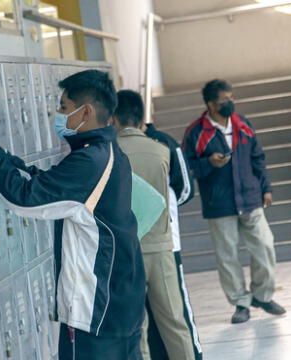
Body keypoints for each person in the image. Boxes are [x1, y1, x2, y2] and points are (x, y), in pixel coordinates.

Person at [0, 70, 146, 359]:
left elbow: (25, 198)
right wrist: (5, 156)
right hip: (121, 301)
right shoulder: (106, 152)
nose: (58, 115)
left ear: (85, 111)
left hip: (95, 310)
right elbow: (51, 183)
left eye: (63, 107)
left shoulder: (90, 161)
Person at [182, 79, 285, 324]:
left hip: (250, 198)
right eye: (225, 100)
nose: (231, 103)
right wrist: (209, 163)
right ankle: (240, 303)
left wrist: (266, 188)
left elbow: (258, 157)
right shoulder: (196, 132)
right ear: (211, 105)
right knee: (227, 255)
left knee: (265, 245)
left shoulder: (243, 125)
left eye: (232, 98)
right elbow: (186, 166)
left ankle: (262, 294)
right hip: (219, 204)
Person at [114, 89, 198, 360]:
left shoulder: (109, 153)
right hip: (162, 248)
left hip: (126, 251)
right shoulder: (162, 150)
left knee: (138, 326)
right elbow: (181, 191)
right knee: (175, 321)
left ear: (113, 118)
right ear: (141, 120)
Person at [145, 111, 202, 360]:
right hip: (146, 243)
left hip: (168, 243)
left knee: (176, 310)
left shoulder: (164, 142)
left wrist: (162, 211)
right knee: (154, 313)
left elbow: (185, 189)